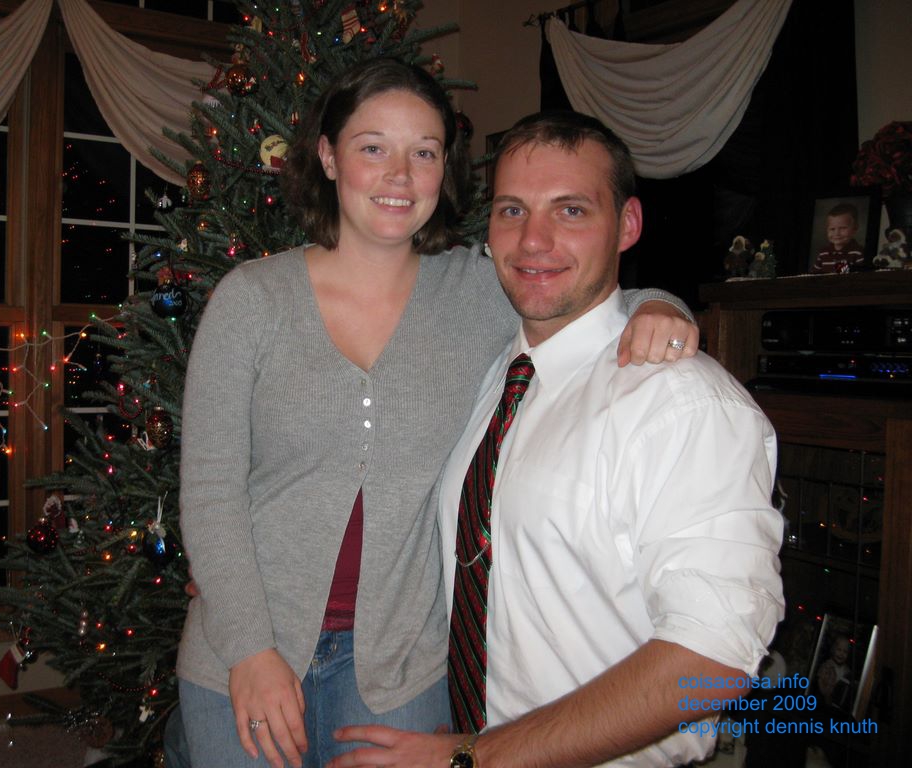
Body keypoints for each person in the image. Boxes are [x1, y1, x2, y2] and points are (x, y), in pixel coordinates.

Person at [175, 60, 698, 768]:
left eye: (423, 152)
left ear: (443, 170)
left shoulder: (478, 290)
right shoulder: (252, 301)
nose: (399, 174)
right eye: (372, 148)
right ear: (328, 156)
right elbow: (208, 492)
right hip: (243, 653)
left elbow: (574, 290)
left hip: (398, 669)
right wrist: (250, 651)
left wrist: (661, 304)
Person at [327, 111, 785, 768]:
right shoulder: (496, 380)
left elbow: (713, 660)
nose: (533, 240)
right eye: (512, 211)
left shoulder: (681, 404)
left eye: (570, 211)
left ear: (627, 225)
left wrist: (472, 756)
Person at [811, 202, 864, 273]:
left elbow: (861, 277)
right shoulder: (823, 254)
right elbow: (813, 275)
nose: (837, 233)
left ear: (855, 229)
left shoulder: (858, 253)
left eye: (843, 228)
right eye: (832, 229)